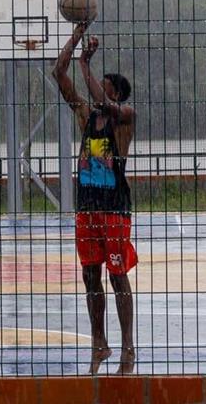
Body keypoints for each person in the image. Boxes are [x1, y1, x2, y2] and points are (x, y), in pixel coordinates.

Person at [52, 23, 137, 375]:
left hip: (114, 210)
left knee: (117, 277)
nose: (97, 91)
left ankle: (128, 347)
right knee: (90, 278)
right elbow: (58, 73)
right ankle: (99, 343)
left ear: (116, 93)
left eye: (103, 86)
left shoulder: (125, 118)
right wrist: (76, 39)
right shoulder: (87, 117)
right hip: (87, 210)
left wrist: (85, 65)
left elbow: (103, 101)